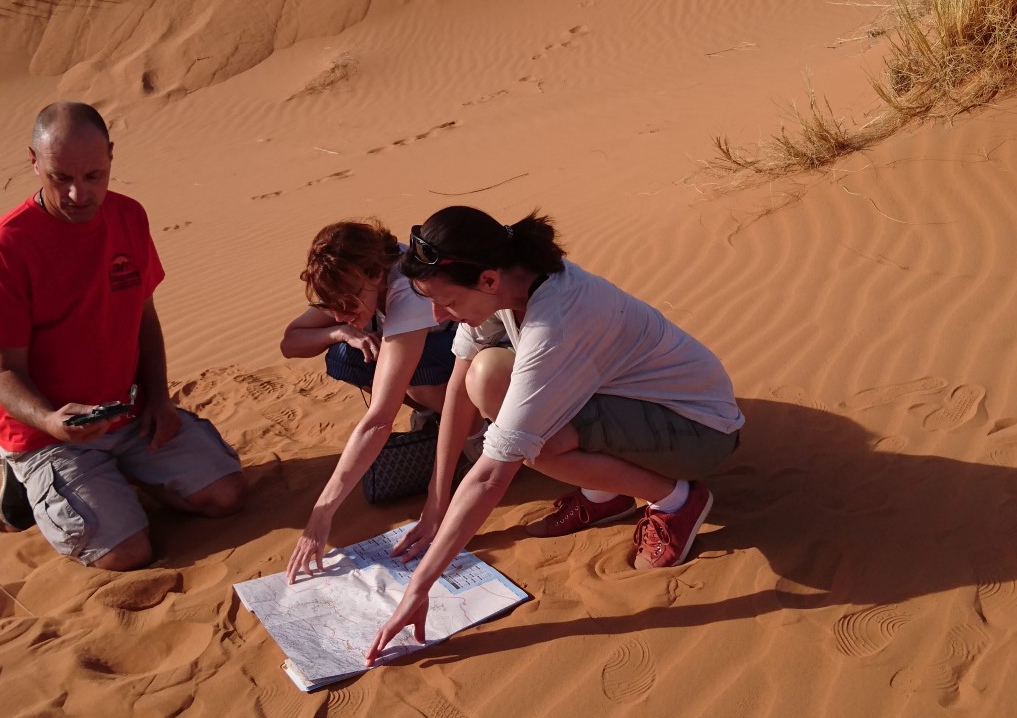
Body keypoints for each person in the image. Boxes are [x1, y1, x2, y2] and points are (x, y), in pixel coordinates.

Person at [364, 206, 744, 663]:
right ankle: (606, 496)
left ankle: (677, 500)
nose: (437, 315)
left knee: (532, 443)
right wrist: (436, 499)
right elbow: (460, 382)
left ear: (486, 280)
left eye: (444, 301)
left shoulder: (555, 320)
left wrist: (418, 588)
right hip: (632, 406)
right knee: (485, 376)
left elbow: (491, 475)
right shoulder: (509, 283)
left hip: (700, 433)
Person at [0, 101, 245, 571]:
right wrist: (51, 420)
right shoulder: (5, 248)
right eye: (61, 178)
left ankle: (113, 479)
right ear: (33, 162)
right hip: (49, 434)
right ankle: (27, 475)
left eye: (94, 175)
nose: (80, 194)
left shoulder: (129, 217)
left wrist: (158, 399)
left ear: (112, 157)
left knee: (226, 496)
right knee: (126, 553)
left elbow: (145, 319)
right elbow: (3, 372)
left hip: (127, 411)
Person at [278, 220, 459, 582]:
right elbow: (290, 342)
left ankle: (471, 433)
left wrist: (322, 513)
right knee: (343, 354)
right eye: (333, 306)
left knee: (414, 376)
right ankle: (435, 413)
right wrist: (342, 329)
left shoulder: (408, 289)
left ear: (375, 274)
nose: (342, 311)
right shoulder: (353, 283)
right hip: (435, 360)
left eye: (346, 304)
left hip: (471, 358)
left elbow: (379, 421)